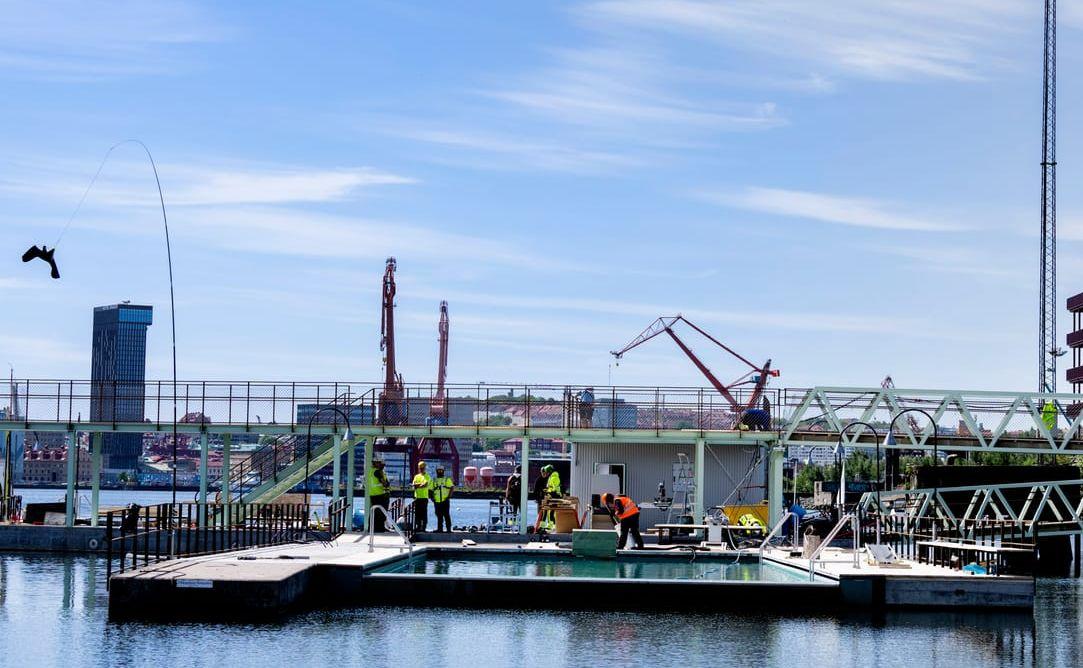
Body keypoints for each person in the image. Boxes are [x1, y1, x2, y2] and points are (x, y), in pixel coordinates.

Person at [368, 459, 391, 533]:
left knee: (375, 512)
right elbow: (384, 483)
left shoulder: (371, 471)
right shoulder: (377, 472)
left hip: (373, 494)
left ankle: (372, 528)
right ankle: (380, 528)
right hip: (380, 494)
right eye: (381, 464)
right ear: (376, 464)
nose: (382, 466)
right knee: (381, 513)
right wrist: (387, 484)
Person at [411, 461, 433, 532]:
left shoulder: (427, 476)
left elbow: (425, 485)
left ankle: (423, 528)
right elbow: (413, 486)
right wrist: (419, 485)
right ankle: (418, 527)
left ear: (425, 468)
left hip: (424, 498)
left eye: (422, 468)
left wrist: (417, 485)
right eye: (420, 468)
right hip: (417, 497)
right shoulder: (416, 476)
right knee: (417, 513)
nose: (421, 469)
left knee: (423, 513)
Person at [432, 466, 454, 532]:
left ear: (443, 471)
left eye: (441, 470)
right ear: (436, 471)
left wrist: (449, 497)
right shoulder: (434, 480)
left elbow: (452, 487)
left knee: (446, 515)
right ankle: (440, 529)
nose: (440, 472)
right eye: (439, 470)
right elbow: (430, 490)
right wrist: (432, 498)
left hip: (445, 500)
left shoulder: (447, 479)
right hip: (437, 501)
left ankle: (448, 529)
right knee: (439, 515)